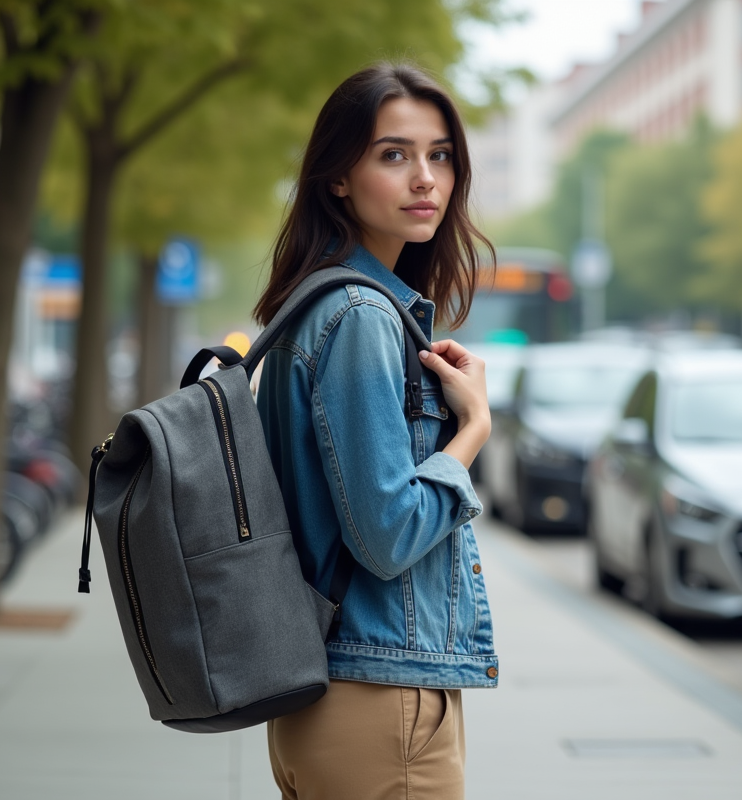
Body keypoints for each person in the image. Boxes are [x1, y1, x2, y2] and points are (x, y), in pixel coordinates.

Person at [253, 62, 498, 799]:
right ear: (338, 177)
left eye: (440, 155)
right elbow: (386, 534)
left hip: (335, 698)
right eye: (394, 155)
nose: (425, 177)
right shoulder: (359, 317)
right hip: (378, 700)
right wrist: (473, 430)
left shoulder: (316, 306)